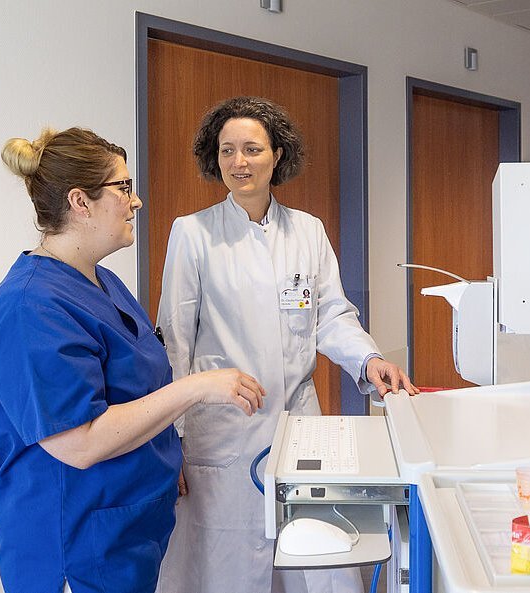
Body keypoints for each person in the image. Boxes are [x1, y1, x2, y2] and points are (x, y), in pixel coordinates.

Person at [0, 127, 266, 593]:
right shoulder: (29, 309)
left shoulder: (102, 283)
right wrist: (197, 387)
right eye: (123, 187)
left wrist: (166, 453)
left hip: (125, 532)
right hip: (75, 545)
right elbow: (80, 442)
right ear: (80, 202)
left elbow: (136, 391)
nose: (135, 201)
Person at [155, 97, 418, 593]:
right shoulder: (193, 234)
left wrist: (369, 359)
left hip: (299, 426)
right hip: (223, 435)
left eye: (252, 149)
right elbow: (175, 339)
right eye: (227, 150)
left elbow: (331, 316)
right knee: (228, 570)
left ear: (277, 155)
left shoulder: (308, 232)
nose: (239, 162)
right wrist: (173, 438)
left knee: (319, 562)